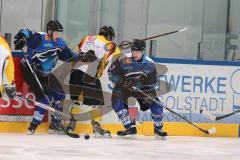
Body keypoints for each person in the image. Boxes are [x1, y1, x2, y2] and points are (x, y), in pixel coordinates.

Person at [14, 20, 79, 134]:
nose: (58, 35)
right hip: (30, 71)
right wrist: (22, 38)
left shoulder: (60, 43)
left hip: (45, 74)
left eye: (60, 33)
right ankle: (33, 126)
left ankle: (55, 123)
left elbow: (67, 56)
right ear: (49, 31)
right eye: (56, 33)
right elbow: (25, 32)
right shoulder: (39, 38)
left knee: (60, 95)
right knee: (45, 98)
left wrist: (81, 56)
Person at [68, 26, 121, 137]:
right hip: (89, 75)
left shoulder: (87, 38)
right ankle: (96, 126)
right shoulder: (110, 45)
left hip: (75, 73)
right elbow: (117, 56)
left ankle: (71, 125)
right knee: (98, 103)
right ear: (109, 36)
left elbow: (75, 53)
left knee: (77, 100)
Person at [108, 39, 167, 137]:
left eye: (138, 52)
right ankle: (130, 127)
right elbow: (111, 73)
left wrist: (147, 90)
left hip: (142, 90)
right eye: (133, 51)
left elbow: (154, 83)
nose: (135, 54)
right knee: (116, 100)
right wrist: (122, 81)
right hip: (125, 88)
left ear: (143, 51)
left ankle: (158, 128)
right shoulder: (123, 59)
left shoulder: (150, 64)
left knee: (156, 105)